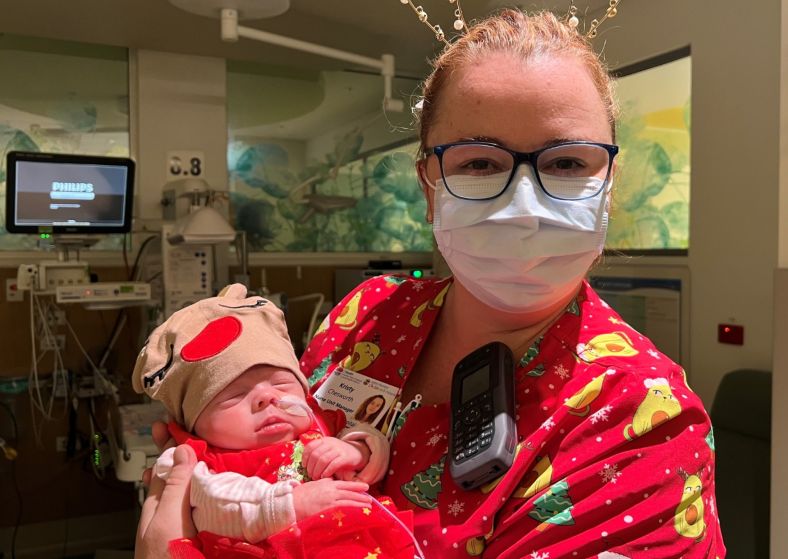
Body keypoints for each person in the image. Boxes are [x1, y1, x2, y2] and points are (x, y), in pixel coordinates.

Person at [137, 8, 726, 559]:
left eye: (567, 163)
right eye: (478, 163)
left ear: (609, 181)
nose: (524, 205)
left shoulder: (640, 426)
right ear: (428, 184)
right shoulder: (367, 314)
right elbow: (280, 455)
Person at [132, 284, 415, 558]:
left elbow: (370, 438)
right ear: (193, 422)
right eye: (234, 395)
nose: (266, 398)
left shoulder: (322, 424)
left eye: (281, 384)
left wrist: (356, 452)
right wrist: (287, 505)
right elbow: (211, 508)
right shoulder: (194, 459)